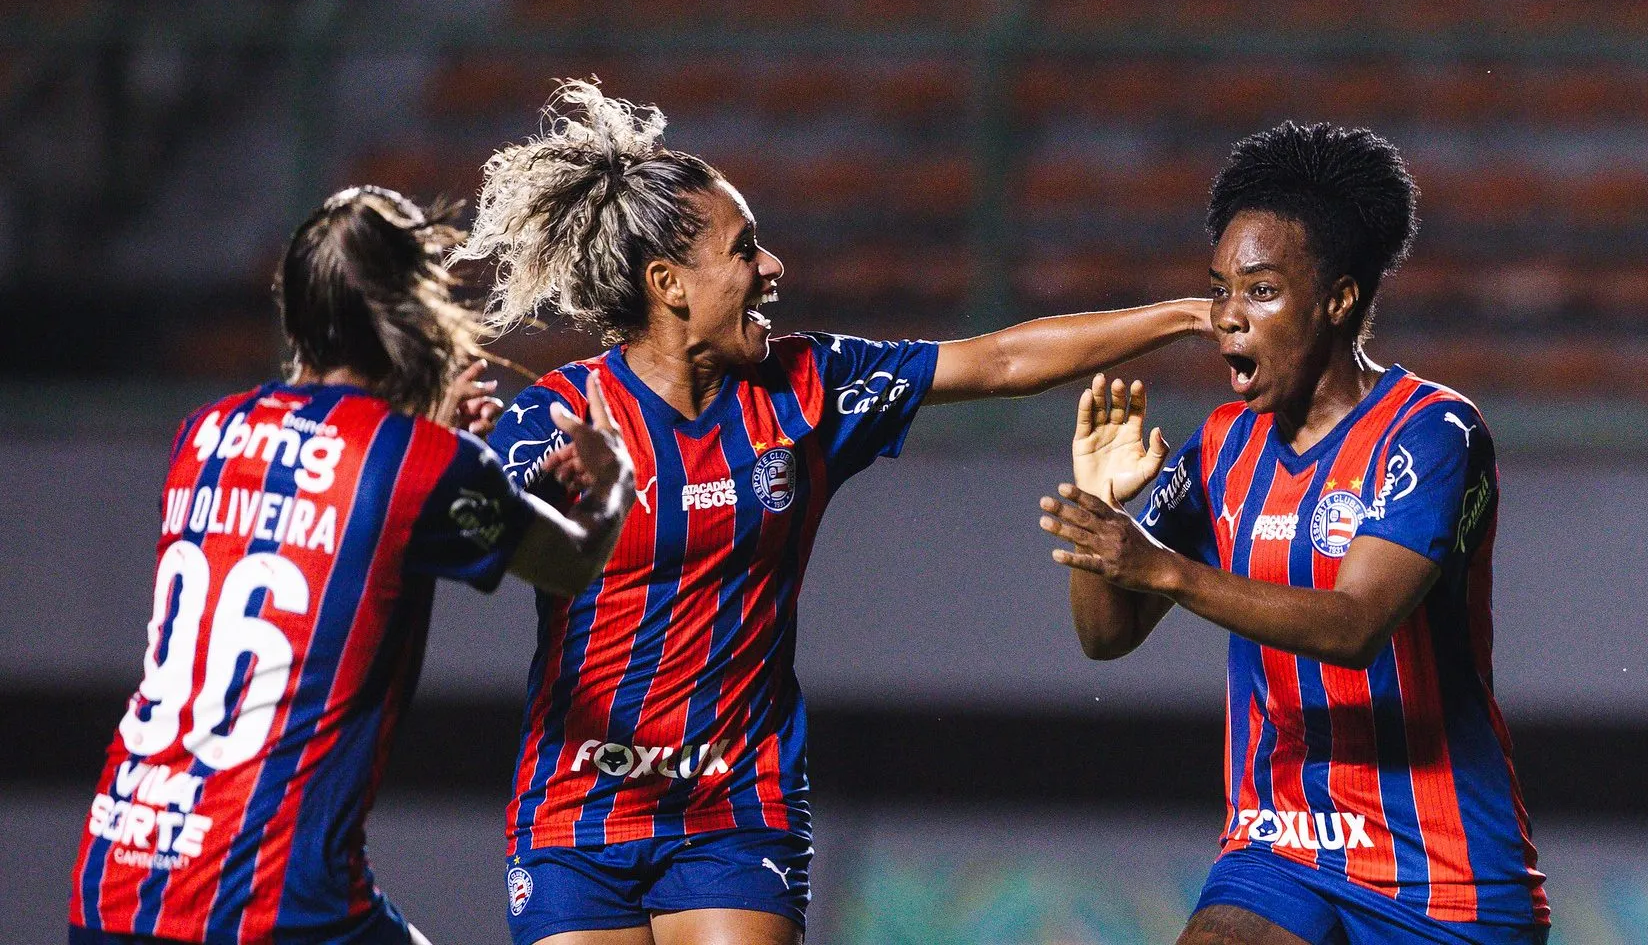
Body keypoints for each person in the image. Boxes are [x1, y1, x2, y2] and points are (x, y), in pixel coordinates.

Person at [450, 79, 1210, 945]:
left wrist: (1186, 314)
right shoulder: (562, 418)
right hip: (577, 811)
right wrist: (531, 495)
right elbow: (489, 540)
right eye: (746, 250)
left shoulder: (811, 387)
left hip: (736, 806)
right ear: (669, 285)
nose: (772, 268)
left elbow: (998, 359)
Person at [67, 186, 636, 945]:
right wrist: (616, 484)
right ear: (414, 311)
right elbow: (569, 563)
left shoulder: (203, 435)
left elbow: (342, 509)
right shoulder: (421, 463)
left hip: (116, 884)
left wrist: (439, 445)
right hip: (272, 899)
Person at [1038, 123, 1549, 944]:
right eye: (1221, 290)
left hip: (1442, 875)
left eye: (1262, 291)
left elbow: (1355, 627)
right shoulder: (1222, 444)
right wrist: (1107, 516)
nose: (1228, 319)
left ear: (1339, 300)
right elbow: (1106, 636)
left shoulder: (1433, 433)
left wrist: (1166, 569)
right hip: (1281, 848)